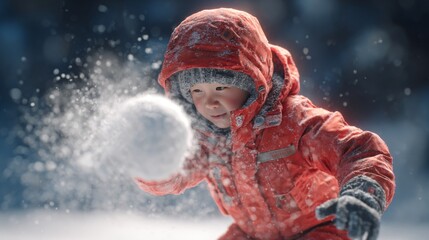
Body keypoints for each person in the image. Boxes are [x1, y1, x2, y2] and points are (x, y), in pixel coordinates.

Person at [135, 8, 395, 240]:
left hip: (322, 229)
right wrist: (152, 162)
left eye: (220, 87)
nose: (209, 102)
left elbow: (359, 149)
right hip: (251, 234)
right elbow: (177, 173)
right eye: (197, 92)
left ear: (251, 81)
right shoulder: (205, 136)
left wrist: (362, 192)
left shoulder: (294, 121)